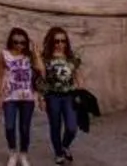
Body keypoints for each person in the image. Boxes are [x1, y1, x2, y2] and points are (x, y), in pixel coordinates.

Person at [0, 26, 39, 166]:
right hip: (10, 96)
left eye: (23, 42)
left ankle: (23, 154)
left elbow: (41, 71)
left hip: (27, 96)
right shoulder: (4, 54)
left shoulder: (30, 56)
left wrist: (36, 53)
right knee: (9, 126)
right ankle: (12, 152)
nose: (20, 45)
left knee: (25, 128)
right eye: (16, 42)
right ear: (11, 42)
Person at [39, 27, 83, 164]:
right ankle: (58, 153)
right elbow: (41, 78)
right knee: (55, 126)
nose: (59, 44)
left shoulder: (72, 57)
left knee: (72, 126)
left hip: (69, 95)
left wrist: (81, 92)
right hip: (52, 96)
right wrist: (41, 98)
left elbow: (78, 75)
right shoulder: (45, 58)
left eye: (63, 41)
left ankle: (65, 145)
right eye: (56, 41)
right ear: (51, 42)